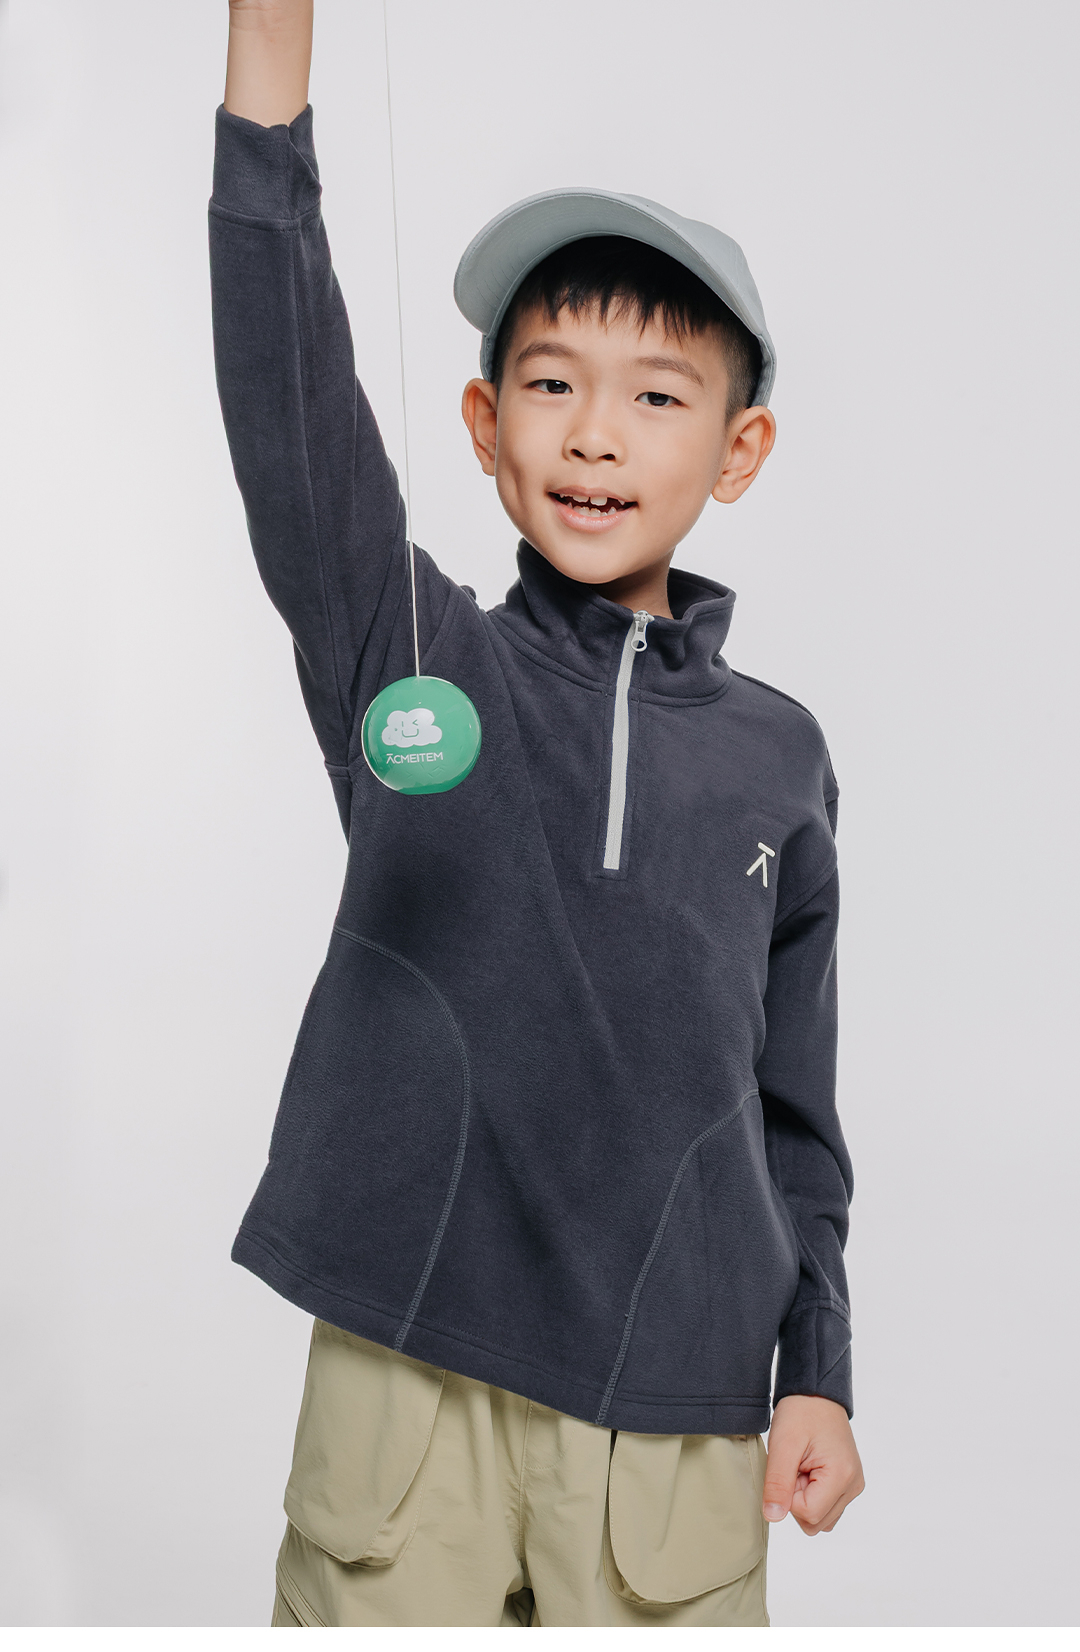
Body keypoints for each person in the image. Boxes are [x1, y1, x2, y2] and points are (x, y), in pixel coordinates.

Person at [212, 0, 864, 1628]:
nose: (593, 432)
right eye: (552, 381)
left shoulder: (781, 759)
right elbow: (291, 416)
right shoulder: (413, 658)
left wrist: (819, 1367)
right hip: (406, 1388)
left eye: (657, 397)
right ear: (485, 427)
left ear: (741, 449)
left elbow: (794, 1118)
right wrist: (269, 67)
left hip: (677, 1417)